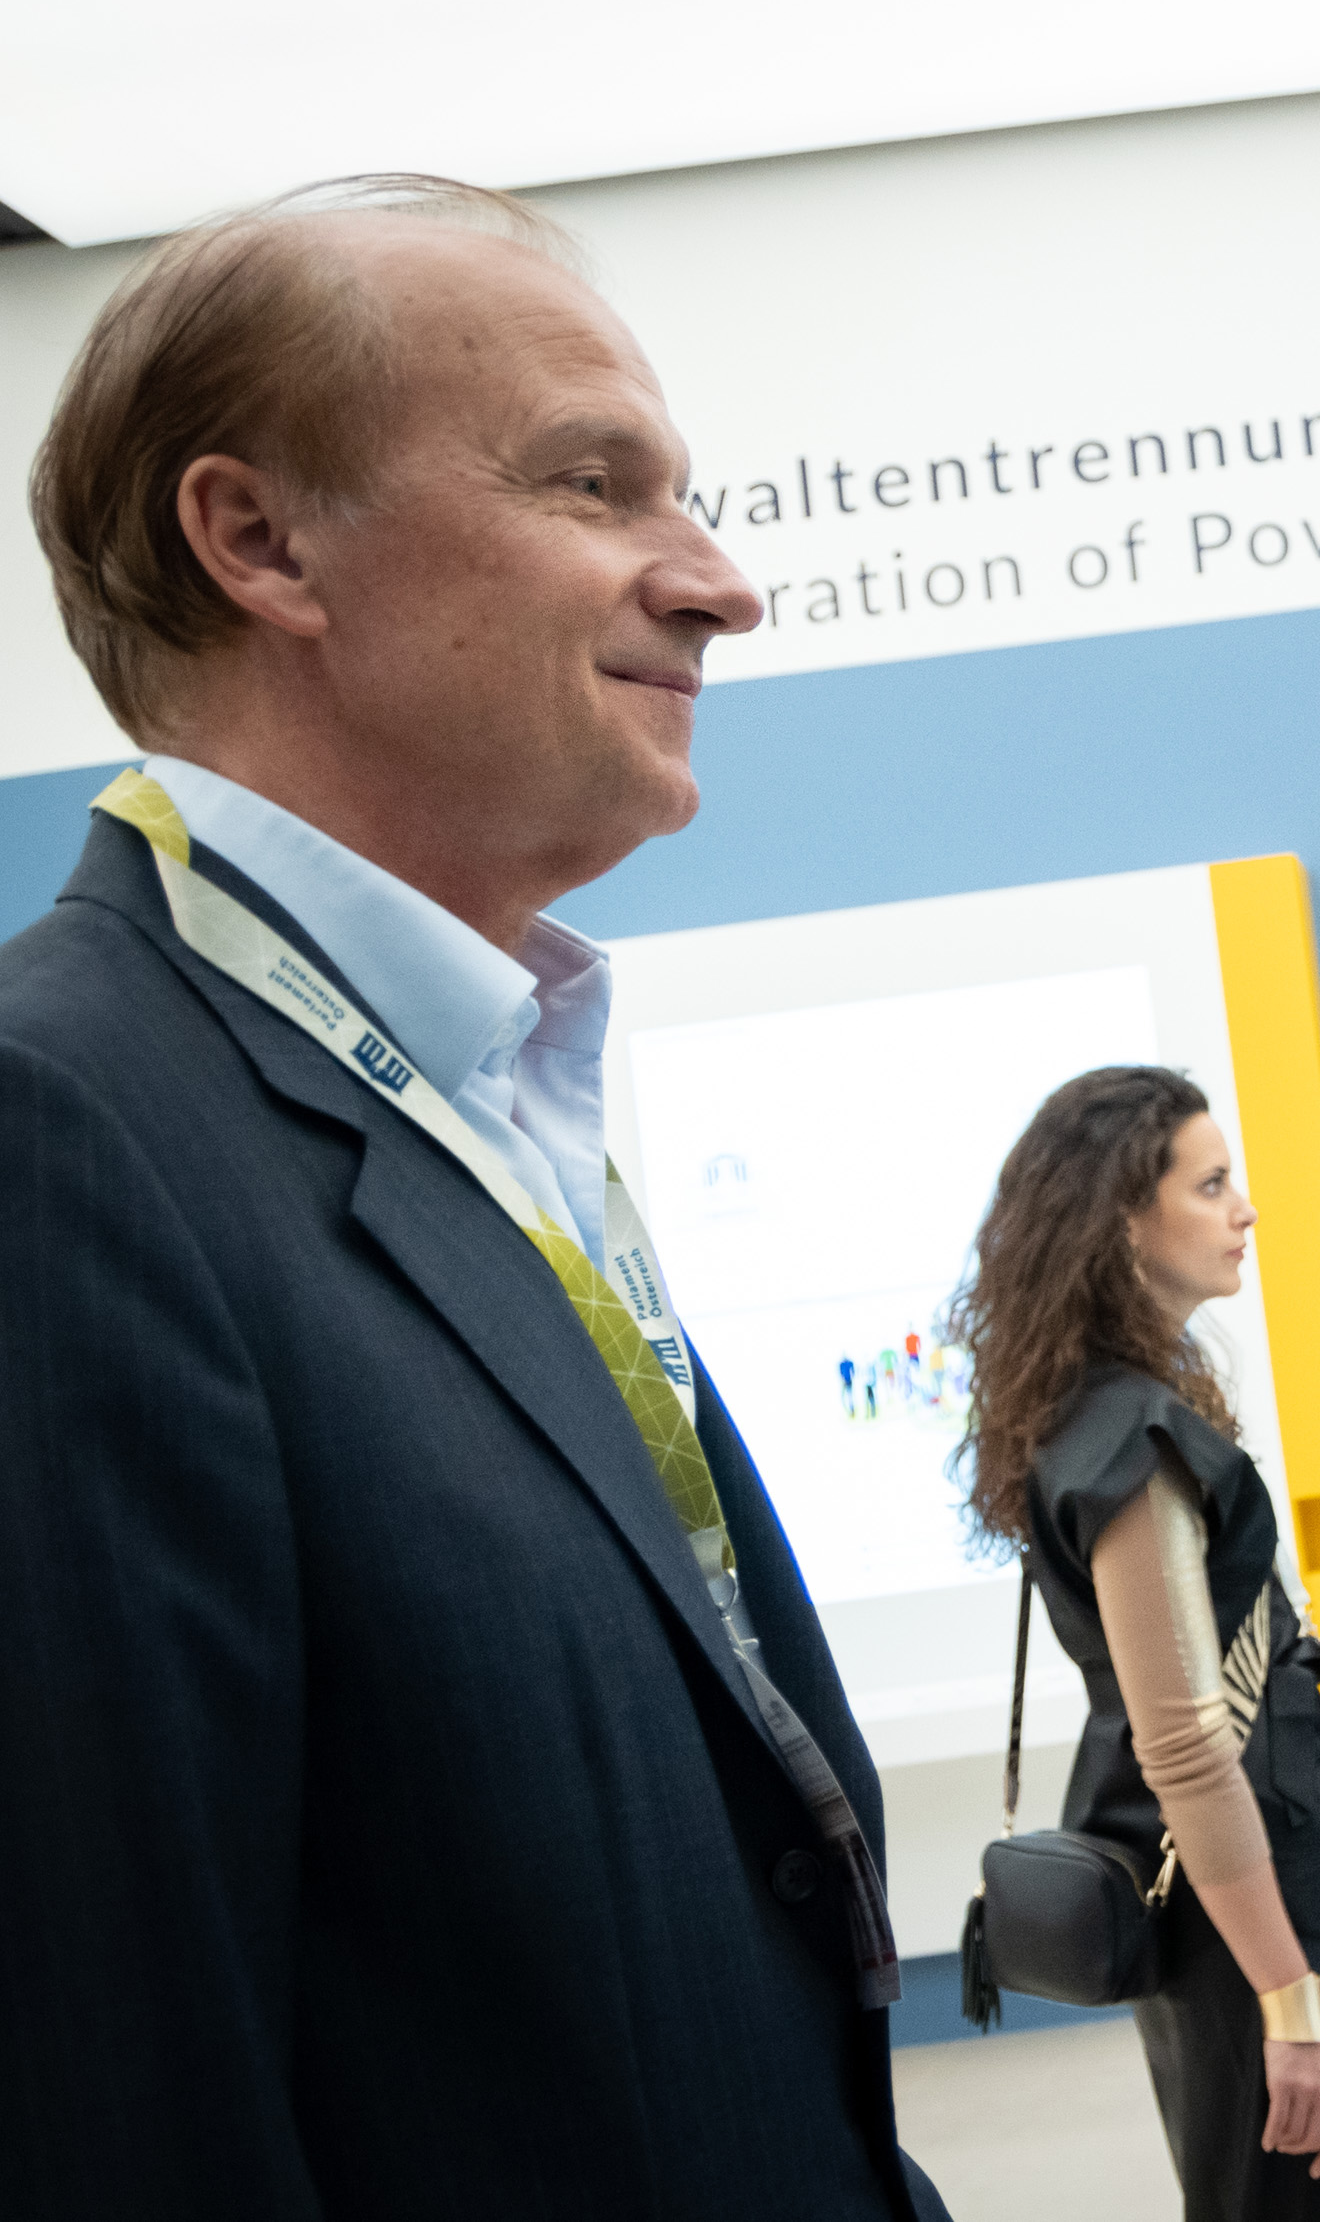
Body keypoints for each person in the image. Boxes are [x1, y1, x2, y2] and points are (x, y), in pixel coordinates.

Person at [0, 177, 949, 2215]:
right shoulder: (59, 1133)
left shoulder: (482, 1089)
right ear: (262, 543)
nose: (719, 586)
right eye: (591, 484)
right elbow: (111, 2077)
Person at [954, 1066, 1320, 2220]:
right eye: (1211, 1185)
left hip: (1244, 1901)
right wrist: (1288, 2003)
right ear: (1123, 1219)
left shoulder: (1105, 1409)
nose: (1244, 1209)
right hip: (1239, 1926)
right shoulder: (1129, 1439)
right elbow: (1188, 1752)